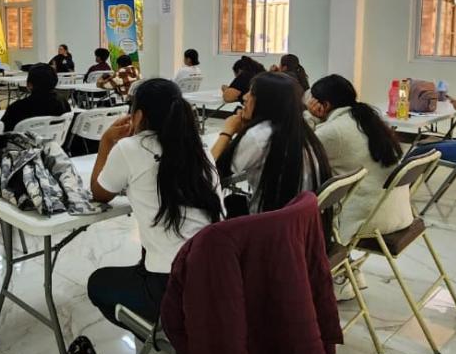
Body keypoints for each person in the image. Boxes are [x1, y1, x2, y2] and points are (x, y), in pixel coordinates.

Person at [87, 78, 223, 332]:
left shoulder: (129, 148)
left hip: (171, 285)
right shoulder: (199, 148)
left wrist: (106, 142)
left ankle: (161, 333)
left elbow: (100, 193)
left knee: (97, 283)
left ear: (138, 115)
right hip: (217, 274)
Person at [308, 74, 409, 244]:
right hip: (397, 213)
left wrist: (310, 118)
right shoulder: (367, 119)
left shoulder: (333, 131)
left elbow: (303, 153)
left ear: (324, 105)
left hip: (366, 221)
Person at [212, 72, 330, 214]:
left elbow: (211, 172)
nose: (245, 97)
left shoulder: (258, 136)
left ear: (267, 102)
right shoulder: (301, 131)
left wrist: (227, 131)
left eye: (251, 93)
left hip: (268, 221)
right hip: (299, 219)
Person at [1, 64, 70, 132]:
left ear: (29, 85)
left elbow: (2, 132)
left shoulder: (16, 108)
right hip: (55, 139)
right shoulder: (63, 102)